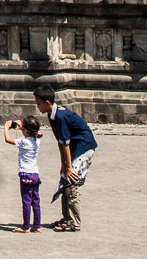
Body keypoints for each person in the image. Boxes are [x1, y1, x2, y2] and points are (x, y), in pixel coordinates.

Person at [33, 82, 98, 232]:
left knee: (72, 181)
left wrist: (69, 167)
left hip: (84, 147)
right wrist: (63, 165)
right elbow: (60, 142)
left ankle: (75, 221)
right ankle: (67, 217)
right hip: (74, 148)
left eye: (39, 104)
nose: (38, 107)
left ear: (47, 102)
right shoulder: (52, 115)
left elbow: (66, 144)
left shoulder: (61, 116)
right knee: (65, 180)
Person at [4, 115, 43, 233]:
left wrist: (6, 127)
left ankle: (26, 226)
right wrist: (22, 127)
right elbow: (39, 133)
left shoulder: (23, 142)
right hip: (35, 174)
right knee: (35, 201)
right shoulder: (37, 140)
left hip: (26, 174)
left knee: (26, 201)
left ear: (26, 131)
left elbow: (8, 139)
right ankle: (36, 225)